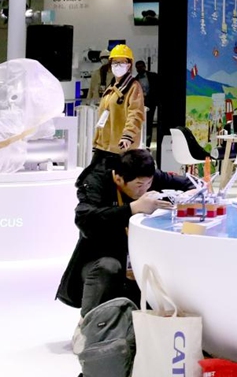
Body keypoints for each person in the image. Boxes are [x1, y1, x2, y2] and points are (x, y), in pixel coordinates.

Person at [55, 149, 194, 317]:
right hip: (100, 256)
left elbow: (189, 184)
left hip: (137, 257)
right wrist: (132, 208)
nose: (145, 189)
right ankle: (90, 325)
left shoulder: (145, 176)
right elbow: (85, 220)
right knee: (108, 267)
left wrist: (187, 197)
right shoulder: (96, 181)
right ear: (119, 179)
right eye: (139, 186)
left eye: (149, 184)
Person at [91, 44, 145, 169]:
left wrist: (128, 135)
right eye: (115, 62)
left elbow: (135, 114)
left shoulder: (133, 87)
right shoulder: (111, 88)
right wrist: (97, 140)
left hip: (120, 147)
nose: (117, 65)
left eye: (122, 62)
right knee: (90, 178)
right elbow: (104, 116)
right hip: (103, 146)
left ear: (129, 65)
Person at [135, 60, 159, 146]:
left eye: (141, 67)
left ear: (144, 67)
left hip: (151, 102)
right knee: (141, 122)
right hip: (141, 103)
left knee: (149, 122)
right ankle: (142, 141)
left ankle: (148, 143)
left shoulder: (153, 76)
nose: (139, 69)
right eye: (138, 68)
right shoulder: (135, 80)